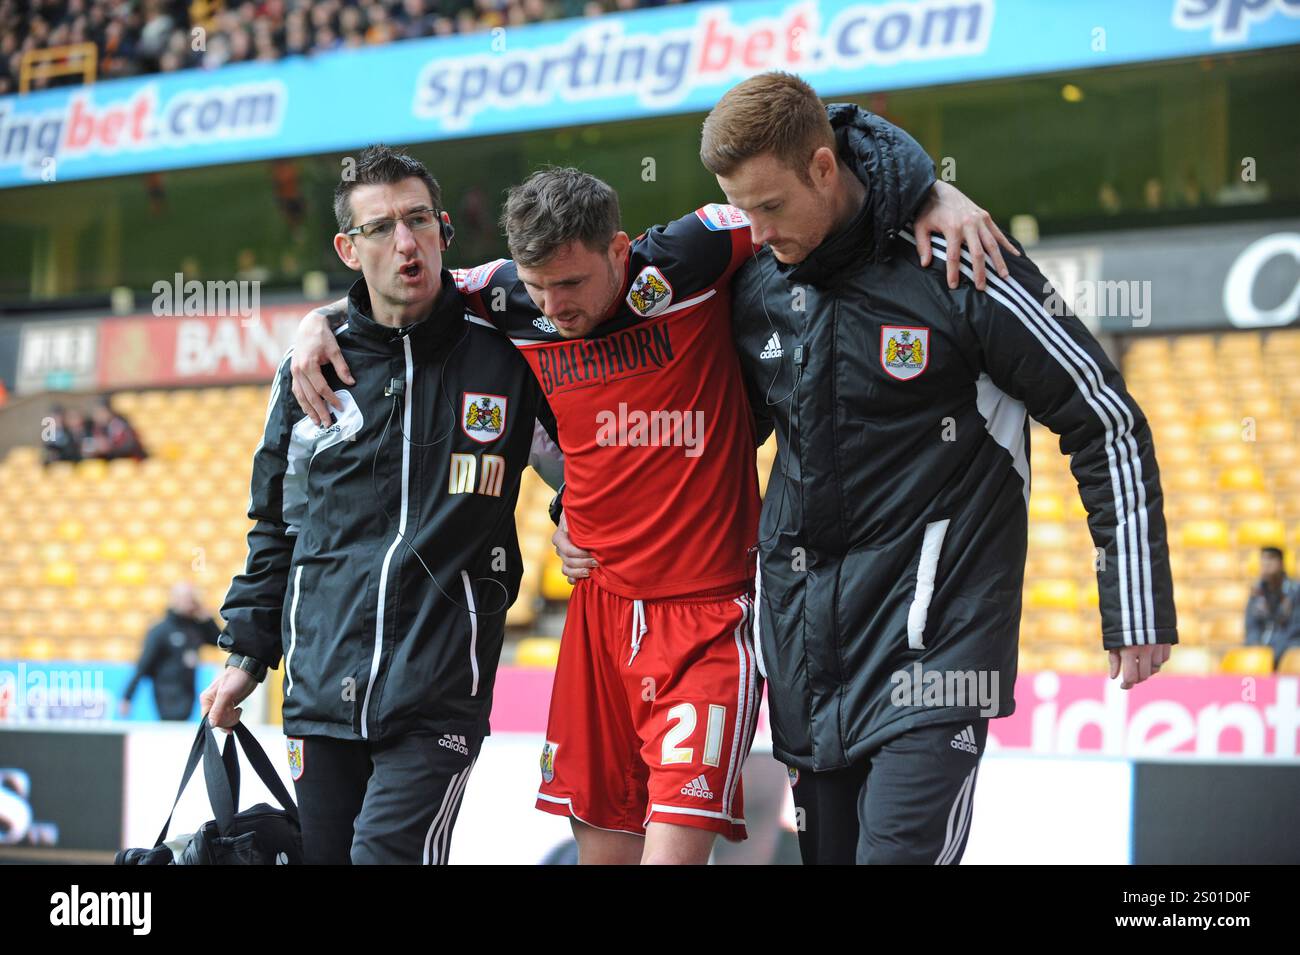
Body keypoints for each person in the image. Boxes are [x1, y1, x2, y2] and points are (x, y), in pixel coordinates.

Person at [289, 133, 1004, 863]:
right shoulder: (504, 297)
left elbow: (798, 185)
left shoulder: (694, 253)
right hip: (598, 615)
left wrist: (926, 191)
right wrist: (317, 322)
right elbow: (396, 291)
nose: (554, 307)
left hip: (707, 617)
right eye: (538, 288)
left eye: (571, 285)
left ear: (621, 251)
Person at [692, 71, 1176, 864]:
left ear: (823, 167)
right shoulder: (756, 281)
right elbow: (713, 442)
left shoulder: (962, 259)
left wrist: (1136, 603)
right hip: (808, 665)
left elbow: (1103, 416)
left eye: (770, 206)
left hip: (936, 662)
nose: (757, 228)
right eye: (742, 209)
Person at [201, 145, 562, 865]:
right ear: (348, 247)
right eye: (382, 227)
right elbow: (277, 525)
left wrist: (572, 518)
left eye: (419, 219)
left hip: (438, 694)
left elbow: (584, 456)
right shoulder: (309, 372)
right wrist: (248, 650)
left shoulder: (509, 348)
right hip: (318, 692)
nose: (406, 242)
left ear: (444, 230)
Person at [119, 582, 221, 720]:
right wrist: (127, 697)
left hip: (189, 694)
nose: (191, 602)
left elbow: (218, 641)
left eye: (192, 598)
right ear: (175, 600)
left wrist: (206, 617)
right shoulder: (161, 630)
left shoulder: (196, 627)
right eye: (187, 598)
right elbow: (143, 665)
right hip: (166, 694)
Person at [1245, 546, 1300, 667]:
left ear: (1281, 563)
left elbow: (1296, 630)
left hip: (1287, 651)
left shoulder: (1295, 592)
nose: (1266, 564)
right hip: (1261, 654)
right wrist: (1255, 645)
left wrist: (1273, 653)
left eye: (1270, 559)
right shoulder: (1257, 593)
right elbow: (1252, 626)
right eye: (1263, 559)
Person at [86, 395, 147, 460]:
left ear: (108, 412)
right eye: (96, 413)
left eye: (100, 412)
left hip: (128, 460)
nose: (97, 416)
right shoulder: (98, 427)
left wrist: (110, 447)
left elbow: (130, 446)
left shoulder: (120, 424)